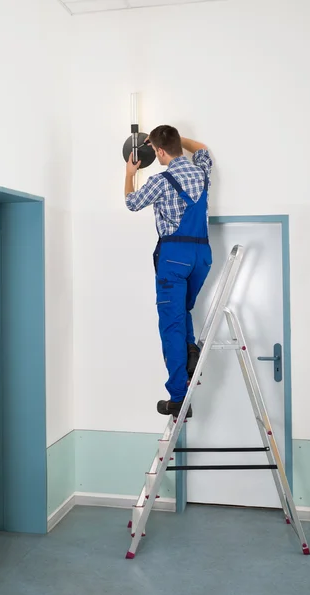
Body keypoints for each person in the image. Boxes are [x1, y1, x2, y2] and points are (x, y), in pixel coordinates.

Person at [125, 125, 213, 418]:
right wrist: (170, 138)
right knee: (183, 311)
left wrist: (129, 173)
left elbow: (131, 203)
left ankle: (178, 396)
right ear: (177, 145)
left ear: (159, 151)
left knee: (171, 325)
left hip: (174, 257)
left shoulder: (160, 180)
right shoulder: (200, 172)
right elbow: (201, 149)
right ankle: (190, 353)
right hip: (202, 255)